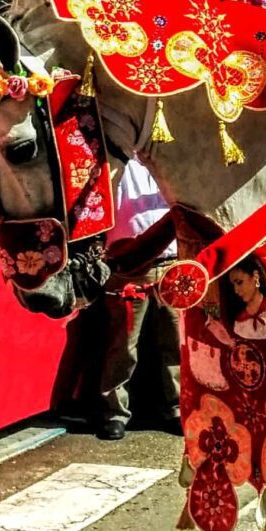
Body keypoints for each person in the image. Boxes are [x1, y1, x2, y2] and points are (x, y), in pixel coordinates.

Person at [97, 157, 181, 440]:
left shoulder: (169, 162)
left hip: (171, 263)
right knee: (123, 344)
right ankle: (115, 412)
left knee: (174, 340)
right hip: (129, 265)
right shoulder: (114, 162)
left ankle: (176, 408)